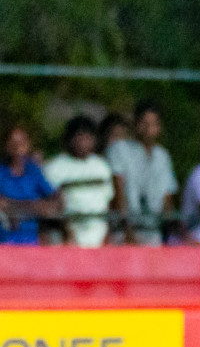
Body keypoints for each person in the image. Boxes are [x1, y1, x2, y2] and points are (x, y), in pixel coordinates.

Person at [108, 101, 179, 245]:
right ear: (135, 124)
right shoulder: (119, 149)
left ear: (159, 127)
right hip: (125, 232)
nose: (148, 129)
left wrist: (172, 232)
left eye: (153, 124)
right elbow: (117, 193)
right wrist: (128, 231)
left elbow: (167, 198)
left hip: (154, 232)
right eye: (143, 123)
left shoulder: (163, 156)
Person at [43, 116, 115, 248]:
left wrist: (107, 236)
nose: (83, 142)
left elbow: (108, 203)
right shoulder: (55, 168)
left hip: (99, 236)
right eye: (79, 137)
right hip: (66, 238)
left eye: (87, 137)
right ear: (69, 139)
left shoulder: (101, 167)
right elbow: (50, 206)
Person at [0, 125, 60, 245]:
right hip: (6, 238)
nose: (17, 147)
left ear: (28, 145)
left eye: (21, 143)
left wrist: (40, 207)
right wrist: (33, 206)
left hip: (32, 238)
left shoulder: (34, 172)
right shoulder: (1, 172)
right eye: (13, 143)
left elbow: (55, 199)